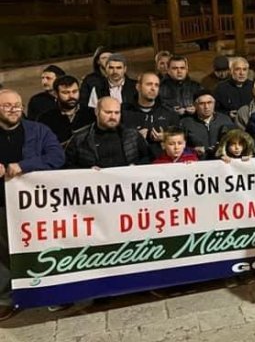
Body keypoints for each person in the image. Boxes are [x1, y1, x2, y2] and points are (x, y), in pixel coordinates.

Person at [0, 89, 65, 320]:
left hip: (35, 205)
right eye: (7, 106)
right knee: (4, 254)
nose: (14, 109)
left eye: (17, 105)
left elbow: (57, 156)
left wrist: (25, 165)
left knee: (46, 247)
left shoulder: (38, 130)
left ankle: (56, 293)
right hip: (2, 204)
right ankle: (7, 299)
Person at [66, 97, 153, 168]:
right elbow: (67, 165)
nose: (113, 117)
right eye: (108, 112)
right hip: (94, 185)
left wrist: (136, 167)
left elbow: (148, 157)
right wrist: (87, 172)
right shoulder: (80, 138)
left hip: (127, 184)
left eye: (117, 113)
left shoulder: (132, 135)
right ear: (96, 112)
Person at [121, 73, 180, 157]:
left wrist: (166, 137)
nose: (153, 88)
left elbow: (180, 137)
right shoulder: (124, 111)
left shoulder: (169, 112)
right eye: (149, 84)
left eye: (156, 85)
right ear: (138, 87)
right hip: (133, 163)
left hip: (161, 162)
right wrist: (134, 138)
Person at [36, 75, 95, 145]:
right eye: (65, 92)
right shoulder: (45, 119)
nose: (71, 96)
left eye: (75, 91)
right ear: (56, 94)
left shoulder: (91, 113)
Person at [180, 91, 235, 159]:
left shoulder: (225, 120)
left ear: (214, 103)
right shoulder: (186, 123)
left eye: (209, 103)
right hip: (197, 164)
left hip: (222, 162)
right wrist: (193, 150)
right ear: (195, 105)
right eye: (202, 104)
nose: (206, 107)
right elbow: (179, 147)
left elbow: (236, 141)